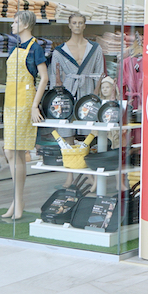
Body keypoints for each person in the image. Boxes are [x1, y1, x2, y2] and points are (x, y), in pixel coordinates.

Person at [49, 12, 104, 187]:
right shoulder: (59, 51)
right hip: (67, 93)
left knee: (87, 135)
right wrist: (56, 100)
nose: (78, 26)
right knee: (67, 137)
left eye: (81, 22)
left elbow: (100, 73)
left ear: (85, 25)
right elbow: (54, 77)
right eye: (75, 23)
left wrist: (96, 96)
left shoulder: (95, 48)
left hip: (88, 92)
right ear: (69, 25)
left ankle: (89, 172)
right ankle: (70, 175)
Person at [3, 9, 48, 220]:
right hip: (10, 102)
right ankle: (16, 199)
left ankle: (18, 199)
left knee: (15, 151)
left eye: (15, 21)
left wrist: (34, 106)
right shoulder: (16, 47)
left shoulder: (35, 48)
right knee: (12, 152)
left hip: (24, 103)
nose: (12, 24)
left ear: (26, 24)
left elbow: (44, 78)